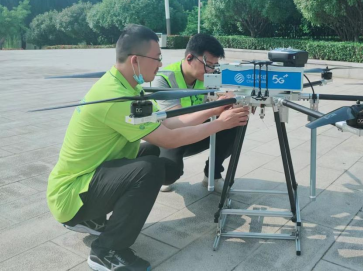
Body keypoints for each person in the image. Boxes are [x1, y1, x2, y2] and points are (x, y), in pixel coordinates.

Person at [46, 24, 249, 271]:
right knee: (149, 169)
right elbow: (169, 139)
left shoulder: (130, 86)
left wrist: (215, 109)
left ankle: (93, 218)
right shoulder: (117, 96)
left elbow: (169, 122)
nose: (160, 64)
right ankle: (106, 251)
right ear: (135, 60)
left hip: (88, 181)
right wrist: (220, 124)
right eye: (156, 58)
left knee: (150, 153)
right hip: (71, 194)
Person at [150, 33, 237, 193]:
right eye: (208, 64)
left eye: (215, 65)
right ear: (189, 58)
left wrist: (234, 100)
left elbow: (228, 92)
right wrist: (214, 110)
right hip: (170, 136)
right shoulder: (164, 79)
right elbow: (174, 123)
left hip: (197, 131)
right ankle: (154, 157)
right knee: (169, 175)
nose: (211, 70)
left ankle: (212, 174)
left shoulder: (210, 74)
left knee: (236, 120)